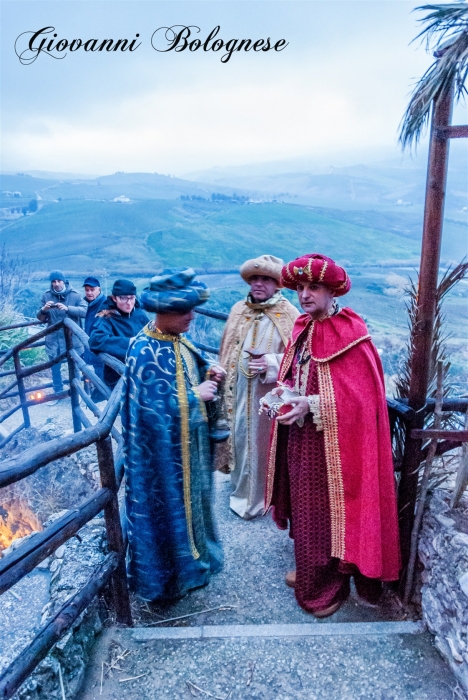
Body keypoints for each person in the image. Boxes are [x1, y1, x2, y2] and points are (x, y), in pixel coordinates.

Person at [263, 253, 400, 618]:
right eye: (301, 288)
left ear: (331, 290)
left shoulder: (350, 334)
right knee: (305, 513)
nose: (305, 295)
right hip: (300, 439)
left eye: (314, 288)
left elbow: (361, 402)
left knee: (327, 517)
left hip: (336, 449)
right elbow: (297, 375)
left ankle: (329, 586)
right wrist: (284, 392)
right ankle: (311, 574)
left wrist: (311, 404)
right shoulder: (303, 328)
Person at [121, 268, 225, 601]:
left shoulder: (177, 340)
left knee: (194, 506)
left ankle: (197, 559)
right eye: (184, 310)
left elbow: (187, 369)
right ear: (162, 312)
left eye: (192, 308)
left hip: (187, 451)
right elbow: (151, 412)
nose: (191, 316)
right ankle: (172, 577)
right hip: (162, 464)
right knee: (168, 512)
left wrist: (208, 370)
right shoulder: (142, 351)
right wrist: (197, 396)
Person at [216, 255, 299, 519]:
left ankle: (266, 498)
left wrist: (271, 364)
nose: (259, 284)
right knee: (240, 439)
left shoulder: (289, 315)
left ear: (277, 284)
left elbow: (298, 358)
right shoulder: (239, 310)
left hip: (270, 397)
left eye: (265, 279)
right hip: (239, 393)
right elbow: (227, 350)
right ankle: (240, 491)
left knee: (265, 445)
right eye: (255, 279)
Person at [88, 279, 148, 389]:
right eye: (123, 298)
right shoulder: (107, 317)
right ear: (114, 298)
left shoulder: (139, 314)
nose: (129, 303)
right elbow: (95, 339)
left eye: (131, 298)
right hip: (118, 376)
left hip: (142, 372)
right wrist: (129, 343)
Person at [37, 270, 87, 394]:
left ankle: (77, 392)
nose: (56, 284)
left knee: (75, 366)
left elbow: (85, 311)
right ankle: (57, 392)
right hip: (53, 339)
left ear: (63, 281)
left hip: (72, 339)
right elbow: (40, 318)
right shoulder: (46, 296)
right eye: (54, 281)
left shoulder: (75, 295)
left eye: (59, 281)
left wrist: (68, 308)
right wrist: (44, 310)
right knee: (55, 367)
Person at [82, 276, 106, 399]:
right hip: (92, 346)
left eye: (92, 289)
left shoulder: (104, 305)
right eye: (87, 290)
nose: (89, 293)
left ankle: (102, 396)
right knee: (97, 372)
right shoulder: (89, 303)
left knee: (101, 373)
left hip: (100, 348)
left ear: (99, 289)